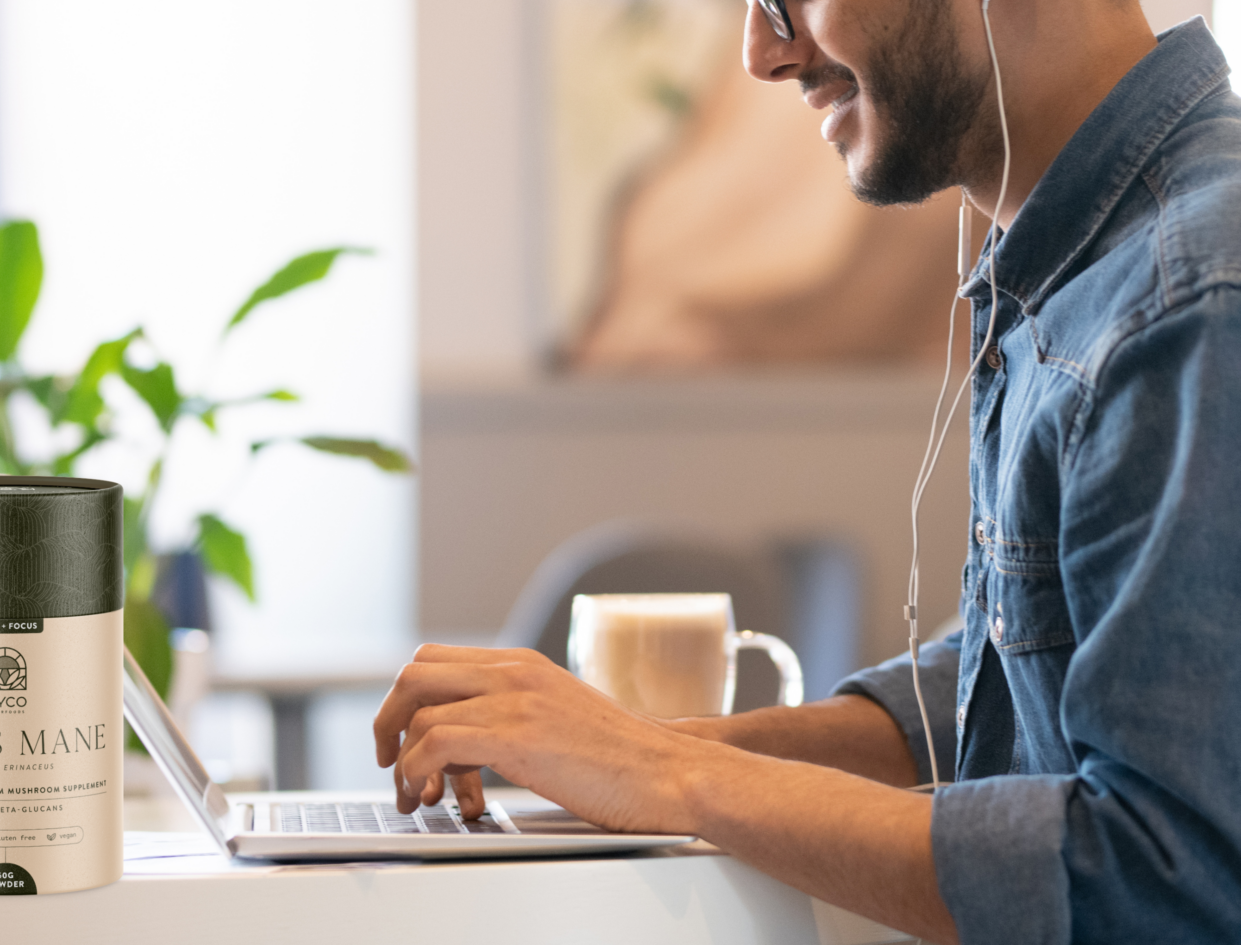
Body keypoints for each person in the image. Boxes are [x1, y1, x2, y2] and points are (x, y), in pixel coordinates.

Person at [372, 0, 1241, 941]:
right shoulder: (1086, 268)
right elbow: (1010, 668)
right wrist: (628, 749)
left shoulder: (1189, 303)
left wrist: (676, 778)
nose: (760, 55)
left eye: (786, 1)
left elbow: (1168, 884)